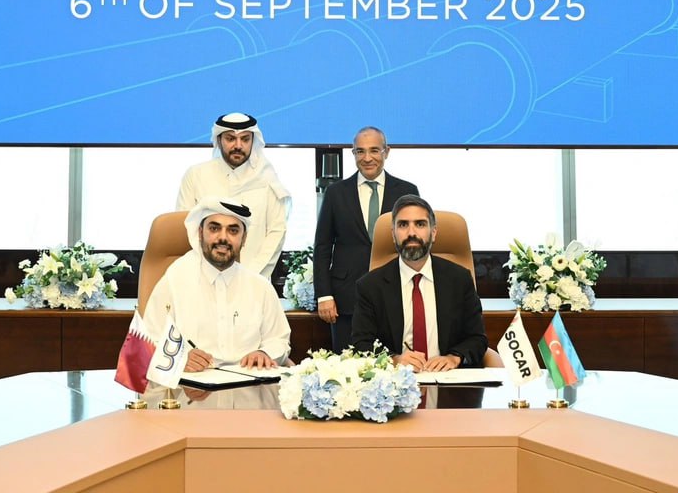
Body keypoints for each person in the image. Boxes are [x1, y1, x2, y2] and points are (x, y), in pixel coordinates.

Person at [145, 198, 291, 371]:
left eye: (233, 231)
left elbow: (278, 339)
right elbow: (148, 339)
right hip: (192, 381)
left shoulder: (260, 287)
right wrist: (179, 357)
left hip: (248, 380)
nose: (223, 237)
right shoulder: (175, 281)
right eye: (214, 229)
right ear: (200, 233)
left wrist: (264, 353)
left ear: (244, 239)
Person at [349, 194, 486, 370]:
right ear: (393, 234)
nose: (411, 233)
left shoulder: (459, 279)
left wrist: (454, 357)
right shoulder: (370, 286)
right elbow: (361, 344)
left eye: (420, 224)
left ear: (433, 233)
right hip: (396, 379)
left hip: (448, 377)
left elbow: (477, 338)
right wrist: (394, 360)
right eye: (403, 225)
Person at [313, 126, 419, 351]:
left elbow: (416, 243)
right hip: (345, 299)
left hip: (394, 294)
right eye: (360, 151)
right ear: (353, 154)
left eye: (374, 150)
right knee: (347, 365)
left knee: (393, 364)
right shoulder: (336, 193)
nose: (367, 158)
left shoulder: (407, 192)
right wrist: (324, 295)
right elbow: (322, 246)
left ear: (386, 152)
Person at [177, 113, 290, 279]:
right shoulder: (196, 175)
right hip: (203, 279)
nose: (238, 145)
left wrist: (250, 276)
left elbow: (277, 232)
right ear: (219, 140)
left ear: (253, 141)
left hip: (254, 279)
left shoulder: (267, 179)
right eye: (230, 139)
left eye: (245, 139)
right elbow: (186, 227)